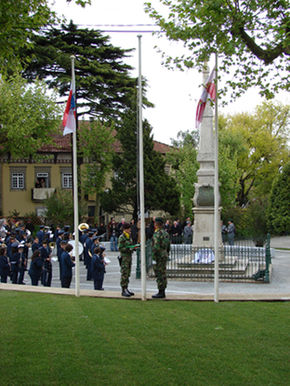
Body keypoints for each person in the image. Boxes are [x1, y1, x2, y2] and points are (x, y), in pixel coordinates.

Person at [151, 217, 171, 299]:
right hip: (164, 255)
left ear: (156, 224)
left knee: (159, 273)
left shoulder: (157, 234)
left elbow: (155, 247)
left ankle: (161, 291)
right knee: (163, 273)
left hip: (158, 256)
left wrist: (153, 257)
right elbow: (168, 246)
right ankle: (163, 290)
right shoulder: (165, 233)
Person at [118, 223, 136, 297]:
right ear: (125, 229)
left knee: (128, 273)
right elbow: (120, 248)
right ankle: (123, 289)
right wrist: (129, 248)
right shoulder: (122, 237)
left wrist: (133, 247)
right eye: (128, 229)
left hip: (129, 257)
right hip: (124, 257)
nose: (130, 230)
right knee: (124, 273)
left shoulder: (128, 237)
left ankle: (126, 288)